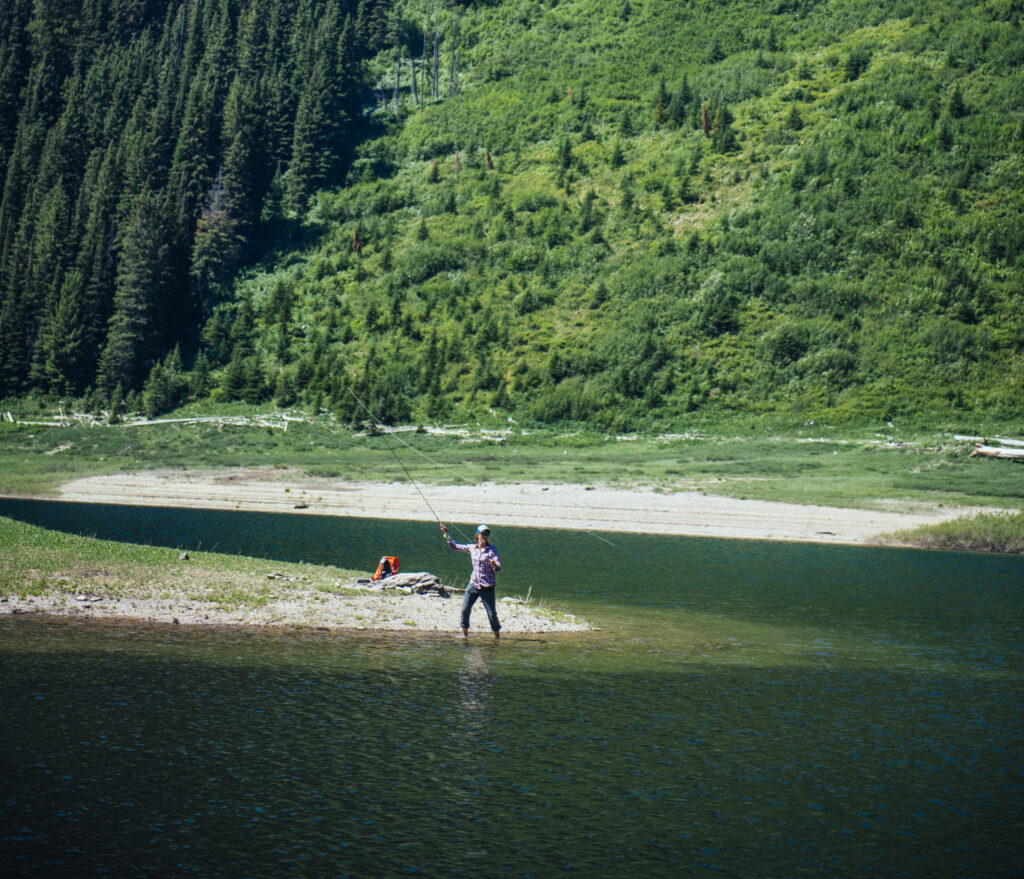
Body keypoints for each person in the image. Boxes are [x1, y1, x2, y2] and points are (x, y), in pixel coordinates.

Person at [441, 523, 501, 639]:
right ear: (478, 535)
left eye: (487, 534)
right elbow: (454, 547)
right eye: (483, 533)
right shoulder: (472, 548)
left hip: (487, 587)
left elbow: (498, 567)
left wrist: (494, 565)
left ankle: (497, 637)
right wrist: (446, 533)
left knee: (492, 614)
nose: (485, 536)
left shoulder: (492, 550)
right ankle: (465, 635)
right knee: (465, 609)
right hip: (473, 584)